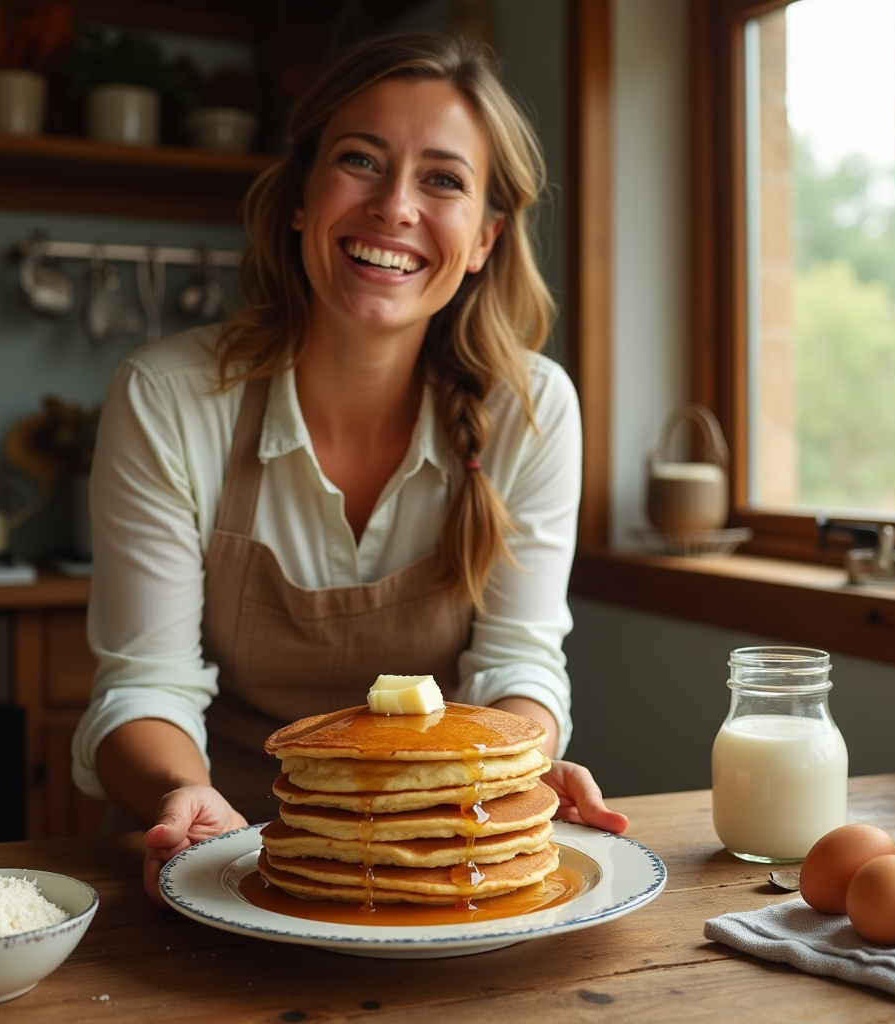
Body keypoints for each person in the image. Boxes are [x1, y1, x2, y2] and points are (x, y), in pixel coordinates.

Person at [71, 31, 628, 903]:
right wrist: (185, 798)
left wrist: (516, 773)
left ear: (484, 238)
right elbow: (144, 686)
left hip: (452, 859)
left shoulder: (531, 410)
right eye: (361, 160)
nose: (395, 206)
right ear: (300, 198)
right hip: (217, 860)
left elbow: (519, 666)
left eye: (442, 178)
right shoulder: (169, 398)